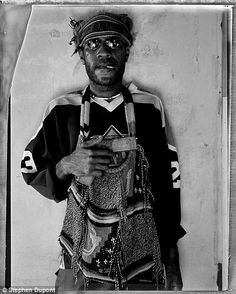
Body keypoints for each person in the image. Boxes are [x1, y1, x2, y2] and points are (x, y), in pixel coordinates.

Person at [21, 11, 186, 291]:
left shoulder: (149, 107)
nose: (104, 53)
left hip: (141, 258)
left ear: (126, 52)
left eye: (114, 43)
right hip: (77, 259)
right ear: (82, 55)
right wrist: (67, 165)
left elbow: (168, 185)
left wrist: (171, 258)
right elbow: (29, 170)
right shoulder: (63, 110)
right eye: (93, 45)